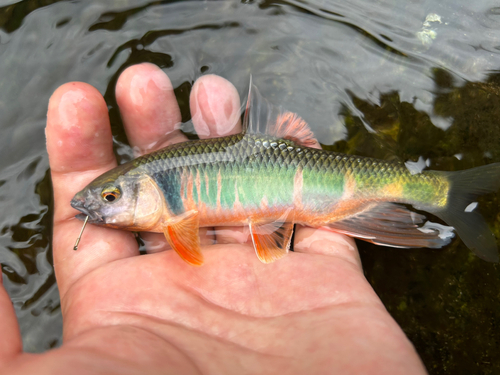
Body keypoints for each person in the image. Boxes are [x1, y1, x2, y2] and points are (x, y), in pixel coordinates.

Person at [0, 63, 427, 374]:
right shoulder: (167, 208)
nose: (101, 207)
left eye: (111, 197)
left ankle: (436, 193)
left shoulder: (173, 219)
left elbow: (188, 249)